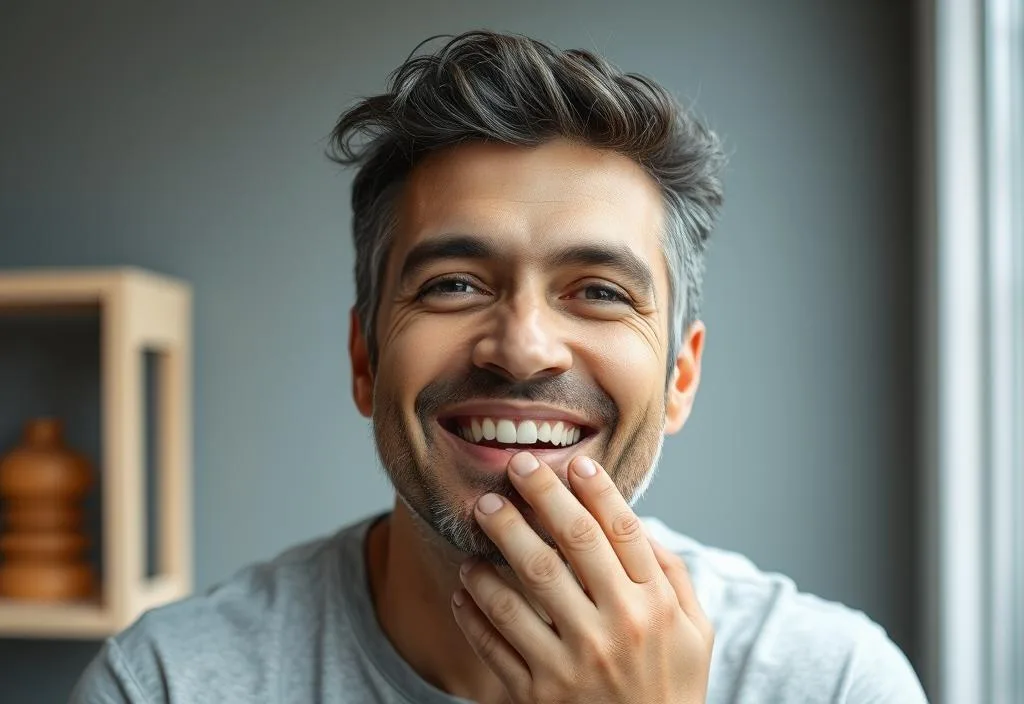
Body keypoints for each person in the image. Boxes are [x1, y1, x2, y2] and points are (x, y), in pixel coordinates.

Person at [71, 30, 928, 704]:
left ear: (680, 379)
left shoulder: (840, 684)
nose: (522, 347)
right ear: (365, 358)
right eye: (452, 284)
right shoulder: (162, 686)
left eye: (596, 291)